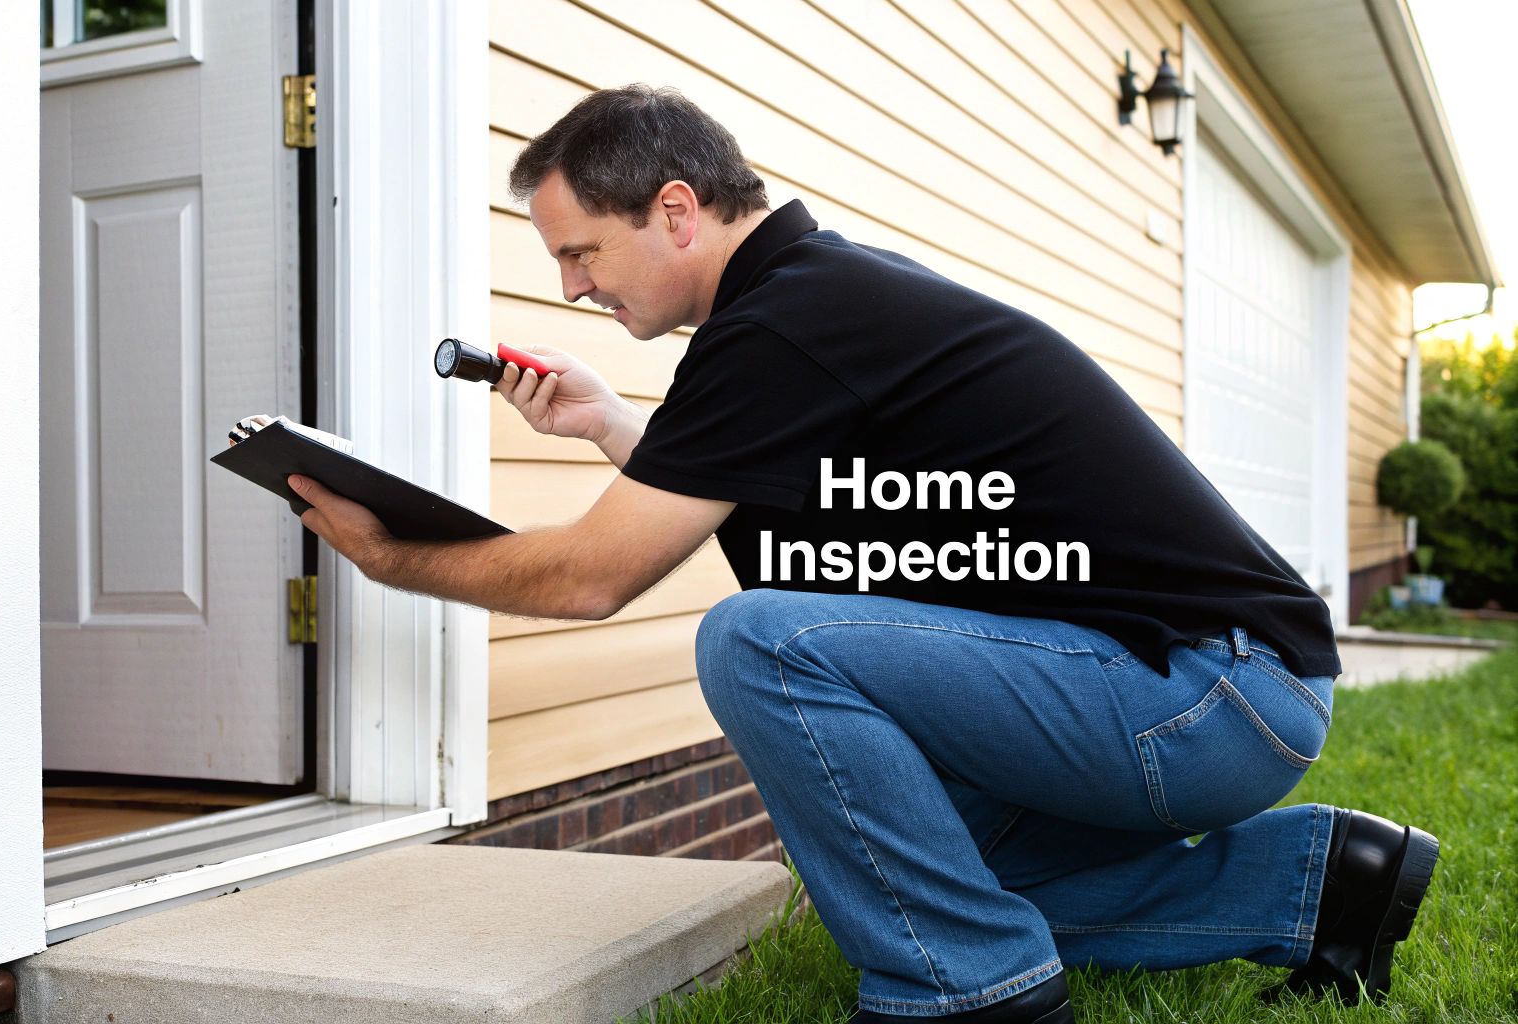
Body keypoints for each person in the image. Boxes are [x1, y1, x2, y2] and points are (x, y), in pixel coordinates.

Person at [284, 85, 1438, 1022]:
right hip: (1204, 687)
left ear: (674, 210)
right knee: (946, 875)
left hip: (1207, 693)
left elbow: (595, 576)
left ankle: (964, 988)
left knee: (758, 644)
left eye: (580, 251)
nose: (571, 286)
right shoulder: (804, 306)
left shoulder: (781, 326)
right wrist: (612, 427)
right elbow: (809, 552)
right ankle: (1318, 884)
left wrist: (395, 559)